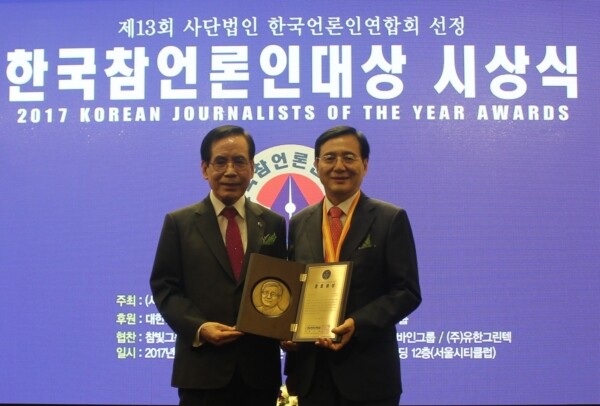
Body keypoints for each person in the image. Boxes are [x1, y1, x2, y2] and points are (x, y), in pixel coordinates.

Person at [283, 125, 422, 406]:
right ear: (316, 165)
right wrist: (285, 329)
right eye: (329, 158)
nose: (339, 166)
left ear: (365, 164)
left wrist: (357, 323)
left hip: (369, 374)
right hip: (312, 373)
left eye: (349, 157)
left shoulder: (389, 219)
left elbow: (406, 291)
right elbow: (294, 287)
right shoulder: (300, 222)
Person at [150, 125, 287, 406]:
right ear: (205, 168)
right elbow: (165, 287)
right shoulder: (179, 223)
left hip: (259, 372)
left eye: (239, 161)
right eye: (221, 162)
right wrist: (199, 328)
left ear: (252, 167)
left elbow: (281, 285)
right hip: (202, 371)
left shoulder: (273, 223)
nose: (230, 171)